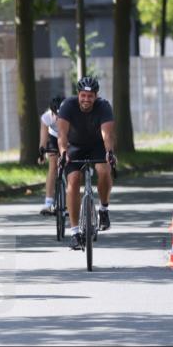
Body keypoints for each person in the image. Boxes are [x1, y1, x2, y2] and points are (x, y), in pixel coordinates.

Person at [56, 76, 116, 250]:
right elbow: (62, 134)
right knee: (74, 180)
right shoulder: (68, 105)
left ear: (96, 96)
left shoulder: (104, 106)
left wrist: (109, 152)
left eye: (90, 96)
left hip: (97, 145)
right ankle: (75, 233)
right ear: (78, 94)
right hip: (74, 146)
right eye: (83, 95)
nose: (86, 99)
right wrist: (63, 152)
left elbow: (107, 134)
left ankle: (103, 209)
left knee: (104, 170)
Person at [38, 95, 66, 215]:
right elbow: (43, 139)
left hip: (69, 136)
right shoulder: (46, 117)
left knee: (71, 166)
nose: (59, 118)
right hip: (53, 137)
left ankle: (70, 201)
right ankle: (48, 203)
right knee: (53, 166)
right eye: (56, 115)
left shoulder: (73, 114)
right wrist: (41, 154)